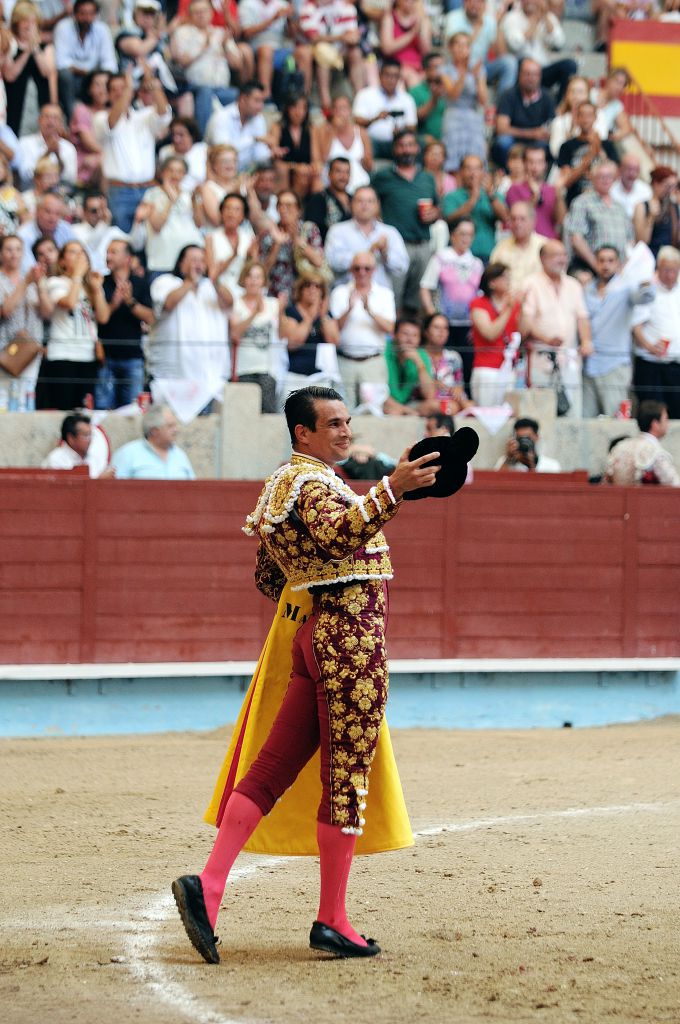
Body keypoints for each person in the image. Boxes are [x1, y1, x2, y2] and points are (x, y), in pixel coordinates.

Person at [172, 384, 439, 964]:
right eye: (334, 424)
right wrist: (393, 488)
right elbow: (339, 533)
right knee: (344, 783)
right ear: (304, 434)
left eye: (348, 421)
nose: (345, 431)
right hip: (350, 648)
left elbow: (271, 578)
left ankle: (209, 887)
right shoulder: (314, 485)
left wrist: (318, 579)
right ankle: (332, 920)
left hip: (314, 640)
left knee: (269, 770)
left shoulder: (281, 486)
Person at [148, 244, 231, 413]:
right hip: (175, 379)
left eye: (202, 260)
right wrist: (190, 282)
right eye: (193, 260)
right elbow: (168, 303)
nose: (198, 264)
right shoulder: (165, 282)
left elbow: (229, 302)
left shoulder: (212, 286)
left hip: (211, 380)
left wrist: (215, 280)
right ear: (181, 263)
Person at [94, 68, 172, 234]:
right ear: (107, 95)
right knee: (121, 240)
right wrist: (129, 89)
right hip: (120, 191)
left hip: (148, 189)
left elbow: (164, 114)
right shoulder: (100, 118)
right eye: (114, 89)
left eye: (123, 87)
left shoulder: (143, 116)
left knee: (151, 241)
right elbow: (111, 124)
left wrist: (154, 84)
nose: (119, 92)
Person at [521, 239, 592, 419]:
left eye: (564, 255)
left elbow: (582, 317)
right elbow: (526, 320)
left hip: (569, 358)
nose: (561, 260)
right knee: (541, 413)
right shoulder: (530, 283)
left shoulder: (573, 285)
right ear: (543, 258)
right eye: (555, 255)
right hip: (541, 357)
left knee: (573, 410)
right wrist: (545, 339)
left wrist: (586, 341)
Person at [582, 245, 655, 418]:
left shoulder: (625, 288)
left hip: (615, 366)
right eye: (601, 260)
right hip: (589, 365)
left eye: (610, 261)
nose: (605, 265)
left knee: (616, 422)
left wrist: (644, 281)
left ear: (618, 264)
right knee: (586, 423)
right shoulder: (587, 290)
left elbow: (646, 296)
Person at [371, 129, 439, 314]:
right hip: (396, 246)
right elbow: (370, 202)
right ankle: (391, 341)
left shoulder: (427, 178)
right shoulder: (382, 177)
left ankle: (412, 341)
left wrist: (434, 213)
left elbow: (437, 208)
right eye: (401, 146)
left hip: (423, 245)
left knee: (417, 303)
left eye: (410, 145)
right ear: (394, 149)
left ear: (417, 148)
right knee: (393, 299)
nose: (406, 150)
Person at [36, 239, 108, 410]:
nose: (79, 256)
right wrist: (76, 276)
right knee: (63, 409)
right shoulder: (55, 282)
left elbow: (103, 317)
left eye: (81, 252)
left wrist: (97, 289)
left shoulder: (91, 286)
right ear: (62, 260)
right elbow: (68, 303)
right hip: (63, 355)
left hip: (87, 355)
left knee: (83, 409)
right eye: (73, 252)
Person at [329, 250, 396, 410]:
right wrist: (349, 309)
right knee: (343, 412)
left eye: (367, 268)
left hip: (372, 362)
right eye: (357, 268)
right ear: (351, 270)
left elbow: (390, 328)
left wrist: (369, 310)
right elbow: (333, 329)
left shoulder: (384, 294)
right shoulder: (339, 292)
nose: (362, 272)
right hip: (345, 361)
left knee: (373, 411)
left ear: (374, 270)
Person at [95, 238, 154, 409]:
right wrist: (114, 303)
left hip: (133, 356)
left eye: (113, 252)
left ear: (128, 258)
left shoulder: (140, 283)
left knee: (132, 411)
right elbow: (101, 316)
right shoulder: (101, 283)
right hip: (106, 356)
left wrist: (129, 301)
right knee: (102, 409)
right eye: (107, 252)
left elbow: (150, 318)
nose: (108, 256)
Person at [419, 217, 483, 374]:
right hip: (444, 323)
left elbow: (480, 295)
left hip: (467, 325)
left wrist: (477, 324)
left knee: (466, 365)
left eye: (469, 234)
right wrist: (432, 314)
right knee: (443, 366)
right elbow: (425, 286)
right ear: (453, 235)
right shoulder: (441, 258)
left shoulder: (476, 263)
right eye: (462, 234)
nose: (465, 238)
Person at [169, 0, 242, 136]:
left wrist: (226, 45)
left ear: (211, 13)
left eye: (204, 11)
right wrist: (205, 46)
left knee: (242, 96)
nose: (201, 15)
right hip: (195, 87)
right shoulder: (182, 33)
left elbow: (237, 65)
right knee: (206, 93)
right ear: (190, 15)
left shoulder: (221, 33)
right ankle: (202, 137)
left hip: (222, 89)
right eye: (197, 12)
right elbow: (182, 61)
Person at [0, 234, 52, 412]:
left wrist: (39, 286)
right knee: (4, 397)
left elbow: (46, 312)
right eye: (8, 249)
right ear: (1, 254)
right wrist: (25, 283)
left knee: (26, 397)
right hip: (5, 349)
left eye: (18, 249)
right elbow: (5, 311)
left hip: (31, 348)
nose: (14, 254)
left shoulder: (32, 278)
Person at [229, 260, 287, 413]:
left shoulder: (273, 304)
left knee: (268, 415)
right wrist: (254, 313)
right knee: (244, 415)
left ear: (264, 281)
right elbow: (235, 334)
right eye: (250, 276)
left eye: (258, 277)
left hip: (267, 370)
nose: (254, 281)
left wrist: (281, 313)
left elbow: (282, 335)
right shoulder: (236, 303)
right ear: (243, 279)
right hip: (243, 369)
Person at [324, 186, 409, 290]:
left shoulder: (390, 232)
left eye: (370, 201)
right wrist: (369, 252)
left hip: (380, 297)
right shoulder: (337, 231)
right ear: (351, 204)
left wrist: (385, 254)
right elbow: (332, 262)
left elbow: (402, 267)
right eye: (360, 201)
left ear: (378, 205)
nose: (365, 205)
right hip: (346, 294)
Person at [632, 245, 680, 418]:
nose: (670, 275)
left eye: (674, 270)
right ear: (658, 268)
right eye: (666, 270)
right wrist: (650, 347)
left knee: (676, 413)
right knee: (652, 413)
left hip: (675, 362)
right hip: (651, 363)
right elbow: (636, 326)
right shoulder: (647, 289)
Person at [136, 155, 204, 279]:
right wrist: (170, 201)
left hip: (188, 263)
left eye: (179, 171)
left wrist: (196, 203)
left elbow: (199, 224)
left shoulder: (189, 194)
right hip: (162, 261)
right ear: (162, 173)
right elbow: (156, 226)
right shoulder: (152, 194)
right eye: (170, 170)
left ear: (185, 174)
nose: (175, 175)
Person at [564, 161, 635, 275]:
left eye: (609, 176)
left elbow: (630, 241)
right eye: (601, 176)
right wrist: (597, 265)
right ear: (593, 178)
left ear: (614, 179)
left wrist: (622, 268)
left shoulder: (620, 207)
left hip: (618, 270)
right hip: (589, 267)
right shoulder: (582, 202)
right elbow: (576, 239)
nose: (606, 180)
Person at [500, 0, 576, 104]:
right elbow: (515, 44)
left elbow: (559, 43)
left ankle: (559, 106)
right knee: (521, 62)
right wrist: (534, 20)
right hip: (521, 70)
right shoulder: (512, 17)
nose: (531, 1)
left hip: (543, 70)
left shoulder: (549, 17)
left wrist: (545, 18)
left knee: (570, 65)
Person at [53, 0, 117, 118]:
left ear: (96, 15)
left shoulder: (102, 29)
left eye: (91, 14)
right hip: (73, 76)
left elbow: (109, 63)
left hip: (95, 76)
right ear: (75, 14)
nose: (87, 18)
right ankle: (74, 119)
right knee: (65, 76)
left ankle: (106, 116)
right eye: (83, 13)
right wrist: (86, 72)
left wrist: (100, 77)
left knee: (109, 79)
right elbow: (61, 63)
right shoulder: (63, 27)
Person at [469, 262, 521, 407]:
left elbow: (522, 330)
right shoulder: (478, 304)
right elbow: (490, 333)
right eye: (504, 277)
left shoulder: (514, 304)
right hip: (487, 368)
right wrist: (508, 309)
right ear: (492, 282)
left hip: (509, 367)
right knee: (487, 415)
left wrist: (525, 306)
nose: (508, 280)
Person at [280, 274, 340, 400]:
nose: (312, 289)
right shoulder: (291, 311)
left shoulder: (326, 314)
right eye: (307, 285)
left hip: (321, 376)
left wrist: (322, 316)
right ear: (300, 290)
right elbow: (293, 343)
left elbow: (334, 341)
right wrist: (309, 318)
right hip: (295, 375)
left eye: (317, 286)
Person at [2, 1, 58, 136]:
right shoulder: (9, 45)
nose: (28, 25)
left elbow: (46, 72)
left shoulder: (46, 47)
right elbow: (9, 75)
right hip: (15, 103)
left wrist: (35, 48)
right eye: (24, 21)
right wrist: (27, 51)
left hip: (40, 102)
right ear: (17, 23)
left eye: (33, 22)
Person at [238, 0, 313, 101]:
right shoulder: (247, 4)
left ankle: (303, 98)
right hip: (258, 45)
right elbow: (246, 33)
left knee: (305, 52)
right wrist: (273, 19)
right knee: (267, 50)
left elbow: (290, 35)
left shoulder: (282, 4)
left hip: (282, 46)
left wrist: (291, 22)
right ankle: (265, 97)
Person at [442, 153, 507, 264]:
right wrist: (473, 198)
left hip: (487, 254)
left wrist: (491, 195)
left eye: (477, 168)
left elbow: (505, 218)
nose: (473, 173)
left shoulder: (494, 196)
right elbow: (450, 219)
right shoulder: (451, 196)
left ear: (483, 172)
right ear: (461, 172)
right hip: (458, 256)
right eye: (468, 168)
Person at [491, 57, 554, 170]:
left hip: (536, 142)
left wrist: (542, 134)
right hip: (514, 139)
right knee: (502, 142)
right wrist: (532, 133)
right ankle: (509, 175)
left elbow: (550, 128)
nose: (531, 78)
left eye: (535, 74)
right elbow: (501, 129)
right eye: (527, 74)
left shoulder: (547, 97)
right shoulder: (508, 95)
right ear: (519, 75)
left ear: (540, 76)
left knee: (548, 146)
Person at [260, 190, 325, 298]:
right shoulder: (269, 234)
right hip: (275, 294)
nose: (284, 209)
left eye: (289, 205)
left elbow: (318, 261)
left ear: (298, 210)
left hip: (303, 296)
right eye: (281, 205)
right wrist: (277, 244)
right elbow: (263, 271)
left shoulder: (309, 230)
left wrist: (297, 240)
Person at [445, 0, 517, 97]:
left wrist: (498, 25)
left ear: (484, 4)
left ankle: (504, 105)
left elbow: (501, 53)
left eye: (479, 1)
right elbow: (457, 50)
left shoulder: (489, 21)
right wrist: (478, 27)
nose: (475, 4)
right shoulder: (453, 17)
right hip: (457, 67)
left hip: (481, 66)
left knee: (509, 62)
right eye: (471, 1)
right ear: (464, 3)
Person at [556, 101, 620, 208]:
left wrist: (599, 150)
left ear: (595, 118)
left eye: (589, 115)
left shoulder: (607, 145)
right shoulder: (566, 146)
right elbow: (567, 181)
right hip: (574, 200)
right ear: (577, 118)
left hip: (602, 202)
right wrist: (590, 156)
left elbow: (615, 176)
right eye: (582, 115)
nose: (585, 119)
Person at [440, 31, 487, 173]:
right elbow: (453, 94)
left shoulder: (478, 70)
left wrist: (478, 78)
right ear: (450, 48)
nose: (462, 49)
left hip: (473, 116)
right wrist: (465, 72)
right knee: (453, 160)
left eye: (466, 45)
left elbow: (483, 100)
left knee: (476, 157)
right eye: (458, 45)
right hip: (453, 115)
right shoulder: (445, 70)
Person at [353, 58, 418, 160]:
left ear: (399, 78)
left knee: (414, 143)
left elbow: (412, 126)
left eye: (395, 76)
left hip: (397, 142)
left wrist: (400, 132)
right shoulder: (365, 94)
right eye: (387, 75)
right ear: (380, 75)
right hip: (372, 141)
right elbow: (357, 121)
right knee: (363, 141)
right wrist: (375, 119)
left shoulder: (407, 99)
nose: (391, 80)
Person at [111, 403, 196, 479]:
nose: (176, 430)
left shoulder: (180, 455)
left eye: (175, 425)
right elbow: (112, 489)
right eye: (170, 426)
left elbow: (194, 490)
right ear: (154, 431)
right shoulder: (128, 453)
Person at [606, 400, 680, 486]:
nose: (668, 423)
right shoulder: (655, 452)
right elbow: (674, 485)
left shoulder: (620, 447)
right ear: (655, 424)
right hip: (645, 499)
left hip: (617, 498)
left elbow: (606, 482)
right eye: (665, 419)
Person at [311, 94, 372, 195]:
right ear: (332, 111)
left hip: (358, 182)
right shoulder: (323, 130)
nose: (340, 112)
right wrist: (333, 131)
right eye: (336, 108)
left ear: (350, 110)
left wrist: (365, 160)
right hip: (332, 182)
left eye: (343, 108)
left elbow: (369, 165)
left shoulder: (361, 132)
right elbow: (322, 159)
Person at [204, 80, 271, 170]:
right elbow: (223, 151)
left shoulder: (258, 118)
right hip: (217, 172)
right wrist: (253, 139)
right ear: (243, 99)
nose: (261, 106)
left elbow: (259, 154)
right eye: (257, 101)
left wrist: (271, 154)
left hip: (245, 173)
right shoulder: (221, 117)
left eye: (262, 101)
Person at [205, 192, 257, 305]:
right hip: (218, 291)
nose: (231, 214)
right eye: (228, 208)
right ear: (221, 212)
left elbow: (254, 271)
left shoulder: (249, 238)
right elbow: (212, 274)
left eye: (237, 209)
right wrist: (232, 256)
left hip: (243, 291)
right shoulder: (211, 237)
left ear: (243, 215)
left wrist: (250, 257)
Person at [506, 143, 565, 241]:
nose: (535, 167)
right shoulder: (514, 189)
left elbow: (561, 220)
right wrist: (535, 197)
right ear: (524, 163)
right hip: (525, 244)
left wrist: (559, 195)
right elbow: (518, 219)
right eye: (531, 162)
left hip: (548, 243)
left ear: (545, 164)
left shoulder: (552, 189)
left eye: (539, 162)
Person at [15, 102, 78, 189]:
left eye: (55, 118)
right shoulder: (25, 143)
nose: (51, 122)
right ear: (39, 120)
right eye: (47, 117)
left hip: (59, 196)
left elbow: (70, 179)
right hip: (31, 194)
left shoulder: (68, 148)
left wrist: (58, 156)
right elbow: (26, 175)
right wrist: (47, 152)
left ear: (61, 123)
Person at [420, 311, 473, 414]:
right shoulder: (419, 356)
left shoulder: (454, 357)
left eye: (445, 328)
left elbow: (459, 385)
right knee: (448, 407)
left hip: (453, 402)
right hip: (427, 402)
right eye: (436, 327)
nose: (441, 332)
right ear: (426, 331)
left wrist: (458, 389)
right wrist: (434, 384)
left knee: (471, 405)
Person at [383, 316, 438, 416]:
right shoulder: (384, 349)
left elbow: (429, 395)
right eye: (405, 334)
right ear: (394, 335)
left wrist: (419, 363)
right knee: (392, 410)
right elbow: (378, 394)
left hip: (410, 404)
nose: (410, 340)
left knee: (433, 406)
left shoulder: (421, 355)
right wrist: (406, 410)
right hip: (386, 402)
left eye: (415, 335)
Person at [549, 74, 609, 161]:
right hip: (566, 167)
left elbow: (602, 140)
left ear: (588, 94)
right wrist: (572, 130)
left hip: (594, 163)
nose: (576, 96)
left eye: (580, 92)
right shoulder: (559, 121)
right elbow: (556, 152)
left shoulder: (599, 115)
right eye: (572, 91)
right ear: (567, 95)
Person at [489, 201, 547, 291]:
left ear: (533, 221)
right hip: (508, 301)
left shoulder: (545, 246)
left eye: (522, 219)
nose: (517, 224)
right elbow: (493, 280)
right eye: (513, 219)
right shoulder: (500, 249)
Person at [268, 94, 316, 197]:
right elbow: (275, 155)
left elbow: (316, 158)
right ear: (288, 108)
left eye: (303, 108)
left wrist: (310, 168)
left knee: (307, 175)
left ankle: (297, 207)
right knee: (282, 170)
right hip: (284, 168)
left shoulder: (311, 129)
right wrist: (295, 167)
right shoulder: (278, 127)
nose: (299, 112)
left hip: (305, 170)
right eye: (295, 107)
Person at [72, 190, 129, 274]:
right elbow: (90, 246)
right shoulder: (74, 230)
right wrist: (104, 224)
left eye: (102, 209)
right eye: (94, 210)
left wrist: (138, 221)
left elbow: (134, 244)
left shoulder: (112, 230)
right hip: (87, 277)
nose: (99, 214)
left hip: (109, 278)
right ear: (84, 211)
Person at [378, 0, 432, 89]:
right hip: (396, 66)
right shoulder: (389, 18)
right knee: (410, 78)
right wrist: (412, 33)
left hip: (418, 67)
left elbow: (426, 52)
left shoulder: (423, 20)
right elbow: (387, 49)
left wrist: (421, 33)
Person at [69, 68, 108, 189]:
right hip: (87, 163)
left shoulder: (116, 113)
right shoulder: (82, 110)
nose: (103, 90)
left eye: (106, 85)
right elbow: (89, 143)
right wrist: (110, 155)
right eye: (97, 85)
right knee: (104, 164)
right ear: (89, 88)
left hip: (106, 159)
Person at [17, 193, 75, 272]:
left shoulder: (65, 228)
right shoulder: (23, 235)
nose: (52, 217)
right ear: (37, 211)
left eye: (57, 213)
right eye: (48, 212)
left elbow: (80, 255)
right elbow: (28, 269)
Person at [41, 411, 111, 476]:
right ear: (71, 438)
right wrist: (99, 481)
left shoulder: (95, 458)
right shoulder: (56, 460)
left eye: (90, 435)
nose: (90, 440)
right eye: (85, 435)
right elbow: (68, 488)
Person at [633, 166, 680, 259]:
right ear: (655, 184)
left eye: (673, 186)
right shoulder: (642, 206)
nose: (670, 190)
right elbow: (641, 241)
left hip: (668, 258)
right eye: (666, 186)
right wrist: (651, 217)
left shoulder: (674, 207)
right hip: (649, 257)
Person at [304, 156, 352, 244]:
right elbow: (312, 230)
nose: (343, 176)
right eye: (338, 171)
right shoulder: (318, 199)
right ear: (329, 174)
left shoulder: (355, 199)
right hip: (326, 250)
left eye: (347, 172)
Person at [194, 144, 242, 229]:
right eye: (225, 161)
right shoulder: (208, 188)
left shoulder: (243, 184)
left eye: (233, 161)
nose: (230, 165)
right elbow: (218, 220)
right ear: (215, 165)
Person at [158, 117, 208, 194]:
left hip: (198, 194)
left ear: (192, 135)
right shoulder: (165, 151)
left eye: (181, 135)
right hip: (170, 193)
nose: (176, 139)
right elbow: (160, 177)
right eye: (174, 134)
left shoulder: (203, 150)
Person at [496, 416, 561, 472]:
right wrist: (509, 459)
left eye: (528, 438)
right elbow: (496, 482)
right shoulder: (505, 462)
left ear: (536, 437)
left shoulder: (551, 465)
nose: (524, 441)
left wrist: (531, 466)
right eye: (520, 438)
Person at [410, 51, 447, 146]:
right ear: (426, 70)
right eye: (437, 67)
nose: (441, 70)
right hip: (424, 143)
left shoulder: (451, 90)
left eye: (444, 66)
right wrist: (434, 98)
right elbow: (416, 117)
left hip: (448, 140)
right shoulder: (415, 91)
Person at [610, 153, 652, 221]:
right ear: (620, 169)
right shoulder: (611, 189)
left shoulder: (645, 190)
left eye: (636, 170)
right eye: (629, 169)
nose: (632, 174)